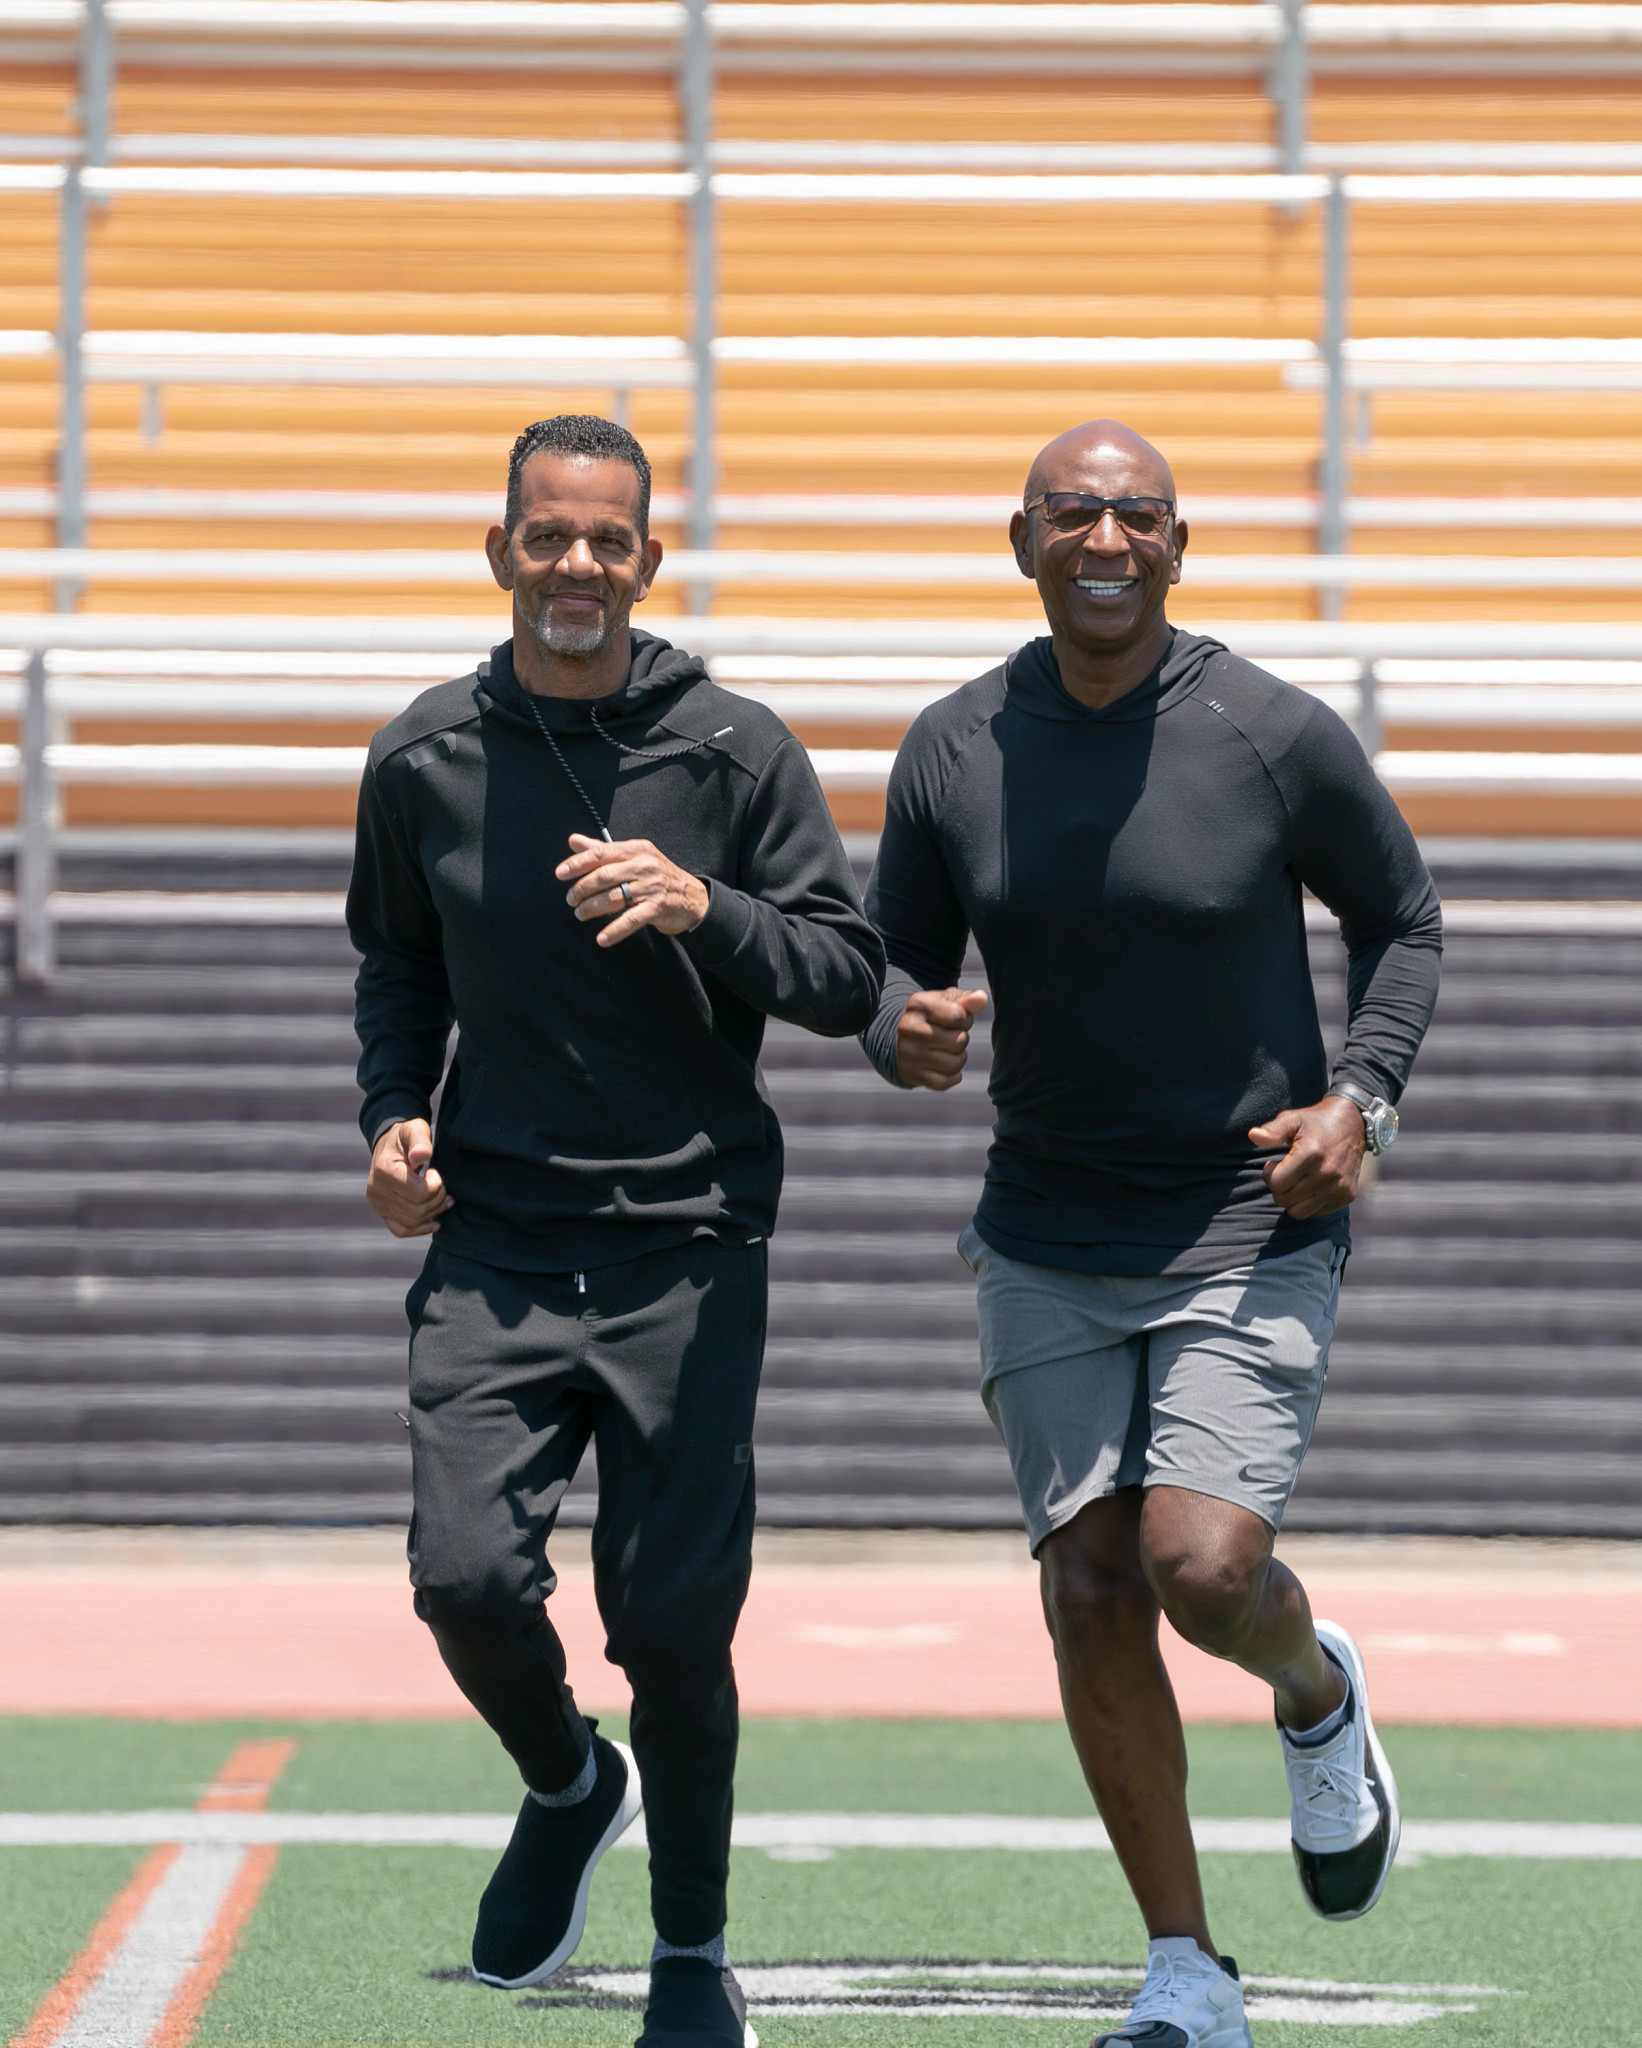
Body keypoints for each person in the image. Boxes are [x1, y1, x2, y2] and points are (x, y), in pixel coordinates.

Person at [859, 420, 1441, 2048]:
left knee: (1200, 1568)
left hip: (1243, 1214)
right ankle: (1184, 1970)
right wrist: (901, 1026)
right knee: (1089, 1590)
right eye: (1070, 512)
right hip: (1042, 1222)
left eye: (1134, 515)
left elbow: (1401, 917)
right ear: (1021, 538)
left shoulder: (1266, 731)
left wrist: (1363, 1103)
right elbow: (892, 966)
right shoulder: (952, 747)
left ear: (1177, 547)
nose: (1102, 538)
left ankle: (1312, 1688)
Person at [348, 414, 884, 2047]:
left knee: (668, 1626)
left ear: (648, 560)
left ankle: (686, 1959)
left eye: (607, 541)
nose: (576, 565)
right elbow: (397, 968)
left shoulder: (732, 750)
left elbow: (851, 977)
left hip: (687, 1239)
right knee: (460, 1581)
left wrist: (702, 907)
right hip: (496, 1239)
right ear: (499, 547)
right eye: (548, 535)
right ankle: (570, 1782)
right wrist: (390, 1118)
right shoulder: (425, 754)